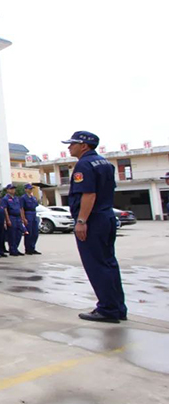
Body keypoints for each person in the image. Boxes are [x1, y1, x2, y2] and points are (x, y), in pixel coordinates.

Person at [63, 131, 127, 323]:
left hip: (93, 220)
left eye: (72, 143)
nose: (69, 147)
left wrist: (81, 221)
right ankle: (117, 307)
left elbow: (89, 194)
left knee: (96, 265)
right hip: (106, 217)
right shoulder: (105, 163)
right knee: (109, 263)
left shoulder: (84, 164)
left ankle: (107, 309)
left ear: (84, 146)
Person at [2, 184, 23, 256]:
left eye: (14, 189)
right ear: (7, 190)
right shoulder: (5, 199)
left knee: (19, 233)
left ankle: (16, 248)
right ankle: (12, 250)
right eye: (11, 189)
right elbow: (5, 210)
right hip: (11, 217)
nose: (13, 190)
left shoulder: (16, 198)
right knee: (12, 234)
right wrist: (7, 220)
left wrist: (22, 218)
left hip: (18, 217)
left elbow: (20, 208)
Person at [20, 184, 41, 255]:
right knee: (29, 233)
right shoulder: (23, 198)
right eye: (29, 189)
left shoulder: (33, 197)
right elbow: (22, 208)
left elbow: (36, 206)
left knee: (35, 233)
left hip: (34, 214)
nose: (31, 190)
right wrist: (23, 218)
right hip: (28, 214)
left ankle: (32, 248)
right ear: (25, 189)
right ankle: (28, 249)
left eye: (31, 189)